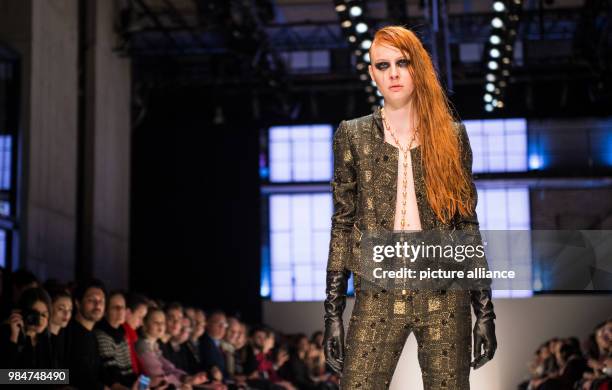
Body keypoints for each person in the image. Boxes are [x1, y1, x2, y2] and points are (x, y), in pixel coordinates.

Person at [322, 25, 497, 389]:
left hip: (444, 294)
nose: (394, 73)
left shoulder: (450, 135)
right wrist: (332, 313)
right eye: (383, 65)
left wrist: (484, 310)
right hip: (377, 292)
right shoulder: (352, 135)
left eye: (402, 62)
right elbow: (342, 223)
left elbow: (466, 223)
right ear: (372, 73)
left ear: (418, 66)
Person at [0, 287, 56, 368]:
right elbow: (4, 375)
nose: (40, 320)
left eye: (44, 314)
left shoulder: (48, 339)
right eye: (35, 314)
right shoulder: (8, 333)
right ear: (24, 313)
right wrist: (14, 337)